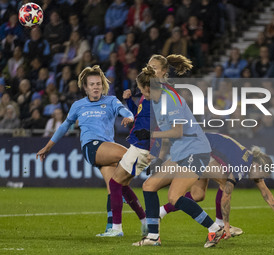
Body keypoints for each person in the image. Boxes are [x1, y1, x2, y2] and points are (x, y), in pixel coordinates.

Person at [36, 65, 147, 231]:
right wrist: (47, 146)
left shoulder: (110, 101)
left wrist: (130, 117)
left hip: (106, 150)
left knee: (117, 186)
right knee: (130, 155)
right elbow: (64, 127)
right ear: (86, 87)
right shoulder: (78, 105)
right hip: (91, 147)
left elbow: (125, 111)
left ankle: (134, 224)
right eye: (92, 84)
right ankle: (149, 169)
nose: (96, 87)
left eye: (98, 84)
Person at [131, 54, 225, 248]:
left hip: (196, 151)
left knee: (174, 197)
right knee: (149, 186)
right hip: (180, 152)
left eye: (142, 90)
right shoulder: (157, 99)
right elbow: (168, 134)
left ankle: (215, 229)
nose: (142, 94)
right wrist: (157, 156)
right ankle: (153, 237)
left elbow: (177, 130)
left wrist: (150, 135)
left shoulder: (168, 98)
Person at [158, 133, 274, 238]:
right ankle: (220, 224)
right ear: (257, 166)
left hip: (199, 146)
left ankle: (160, 212)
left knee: (197, 195)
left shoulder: (250, 161)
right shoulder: (242, 166)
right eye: (262, 173)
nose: (260, 178)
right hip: (197, 149)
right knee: (224, 183)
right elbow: (226, 197)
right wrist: (227, 225)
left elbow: (264, 190)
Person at [96, 65, 155, 237]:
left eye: (141, 88)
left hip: (141, 148)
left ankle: (116, 228)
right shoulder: (146, 98)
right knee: (121, 184)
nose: (140, 91)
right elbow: (139, 117)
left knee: (115, 183)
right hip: (139, 146)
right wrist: (129, 102)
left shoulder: (156, 102)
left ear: (147, 87)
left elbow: (158, 126)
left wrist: (153, 147)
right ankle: (144, 221)